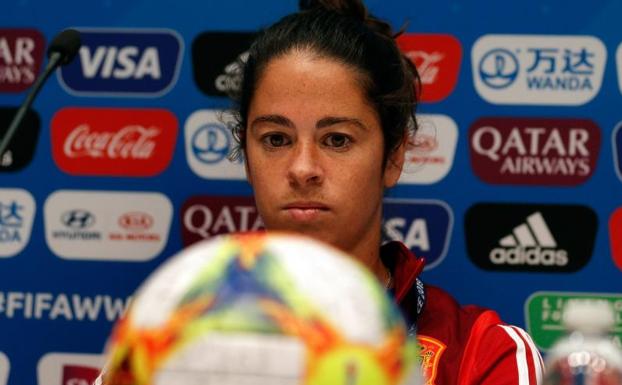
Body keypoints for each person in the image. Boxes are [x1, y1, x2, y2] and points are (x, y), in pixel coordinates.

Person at [229, 0, 544, 384]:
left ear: (393, 157)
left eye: (337, 139)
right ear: (247, 156)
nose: (302, 168)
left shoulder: (482, 353)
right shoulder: (167, 336)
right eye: (276, 139)